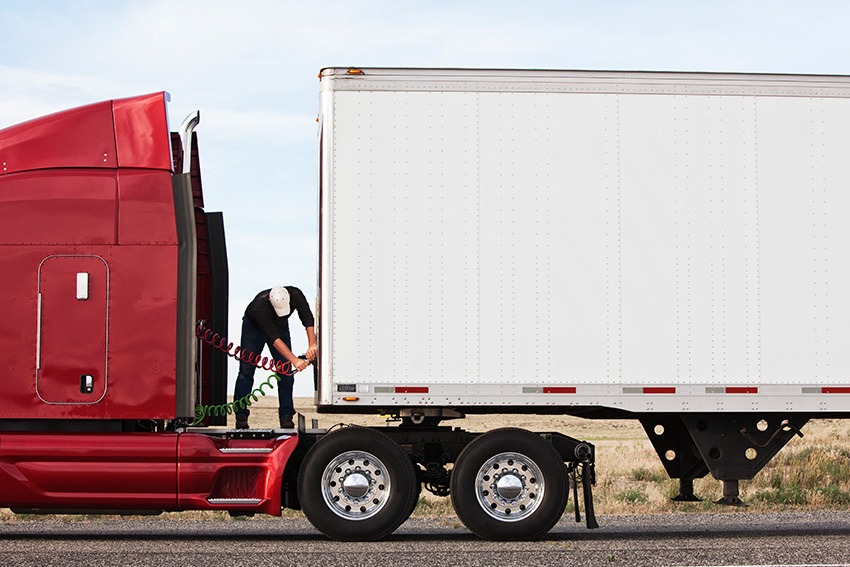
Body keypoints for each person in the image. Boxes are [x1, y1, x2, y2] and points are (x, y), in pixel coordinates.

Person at [233, 286, 317, 429]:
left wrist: (312, 344)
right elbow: (274, 338)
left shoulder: (296, 294)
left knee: (285, 372)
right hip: (253, 328)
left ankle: (286, 416)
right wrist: (295, 360)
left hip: (280, 327)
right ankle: (241, 415)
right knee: (246, 371)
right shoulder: (259, 307)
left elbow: (308, 319)